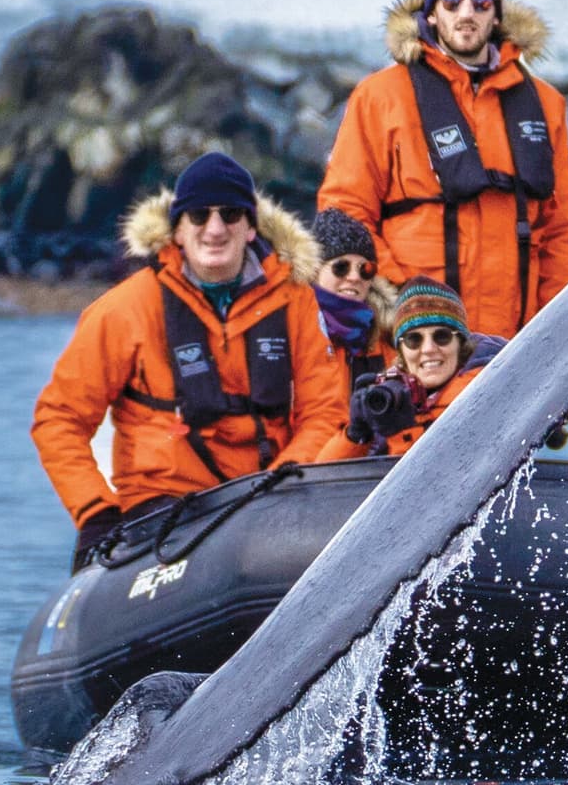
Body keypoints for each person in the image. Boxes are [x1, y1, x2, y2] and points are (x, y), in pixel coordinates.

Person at [33, 149, 355, 565]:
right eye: (199, 216)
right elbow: (59, 419)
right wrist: (95, 510)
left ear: (251, 228)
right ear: (178, 231)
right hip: (160, 511)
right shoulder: (124, 310)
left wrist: (287, 476)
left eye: (230, 215)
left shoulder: (295, 303)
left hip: (264, 501)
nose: (215, 229)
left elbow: (325, 412)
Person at [318, 0, 568, 340]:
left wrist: (553, 329)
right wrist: (405, 302)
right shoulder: (380, 97)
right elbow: (345, 211)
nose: (467, 14)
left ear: (496, 14)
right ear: (431, 11)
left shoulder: (546, 105)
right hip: (416, 343)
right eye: (452, 2)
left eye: (481, 3)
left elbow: (566, 227)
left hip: (515, 346)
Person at [346, 279, 492, 459]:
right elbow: (324, 483)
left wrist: (403, 434)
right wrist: (355, 434)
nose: (428, 349)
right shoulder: (391, 398)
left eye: (442, 337)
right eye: (413, 340)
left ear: (461, 344)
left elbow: (443, 478)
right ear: (401, 351)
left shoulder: (487, 398)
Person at [306, 207, 386, 389]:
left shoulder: (388, 334)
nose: (354, 277)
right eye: (341, 267)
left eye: (365, 269)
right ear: (315, 270)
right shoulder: (293, 328)